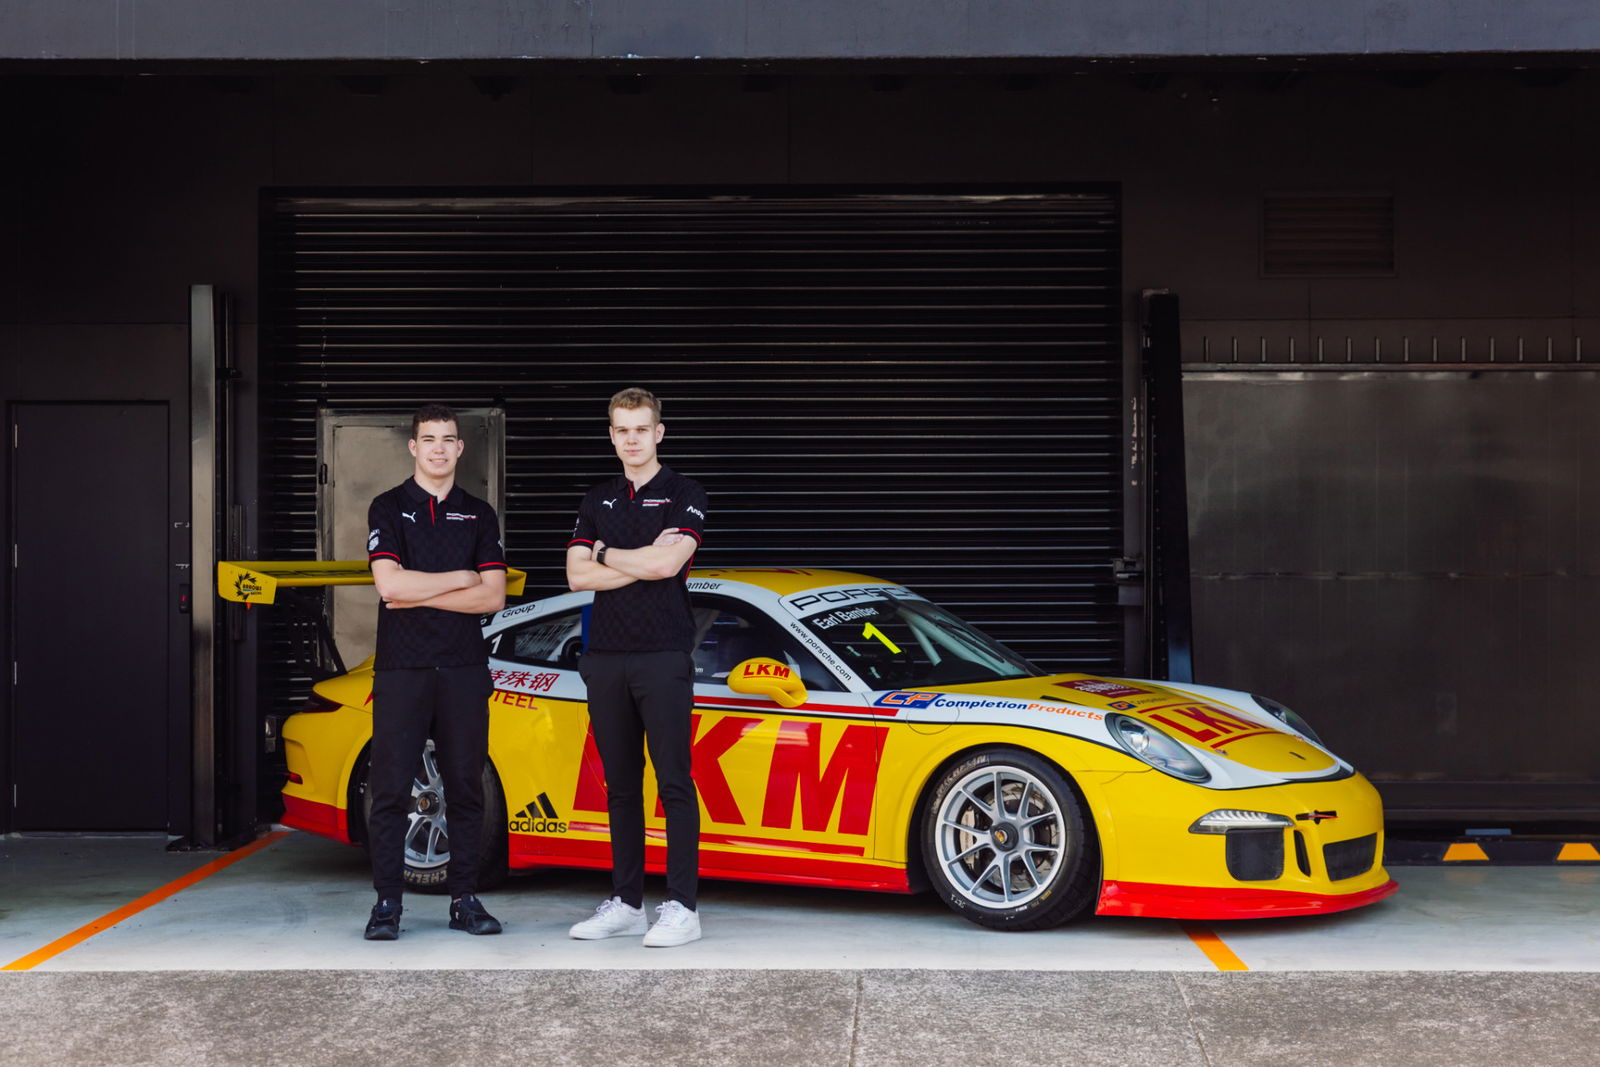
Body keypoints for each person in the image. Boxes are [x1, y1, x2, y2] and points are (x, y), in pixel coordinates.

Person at [565, 387, 708, 947]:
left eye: (641, 429)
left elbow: (669, 562)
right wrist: (632, 561)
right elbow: (577, 576)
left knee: (674, 782)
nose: (631, 439)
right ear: (612, 435)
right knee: (620, 787)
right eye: (622, 430)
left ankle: (683, 907)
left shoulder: (684, 492)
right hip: (604, 659)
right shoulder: (598, 498)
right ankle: (626, 901)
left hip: (663, 655)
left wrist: (604, 554)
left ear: (658, 433)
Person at [361, 403, 508, 940]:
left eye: (449, 439)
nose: (439, 448)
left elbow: (492, 596)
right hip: (403, 670)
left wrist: (431, 589)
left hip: (464, 669)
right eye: (430, 439)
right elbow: (390, 589)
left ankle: (465, 900)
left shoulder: (479, 514)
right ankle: (386, 905)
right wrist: (461, 578)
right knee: (392, 789)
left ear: (460, 448)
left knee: (466, 789)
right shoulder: (387, 507)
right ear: (413, 447)